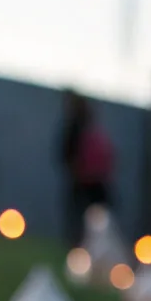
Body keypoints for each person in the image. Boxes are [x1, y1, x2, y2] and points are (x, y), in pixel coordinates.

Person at [60, 91, 116, 246]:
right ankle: (89, 247)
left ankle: (82, 246)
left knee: (84, 217)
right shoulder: (91, 129)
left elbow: (64, 153)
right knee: (94, 218)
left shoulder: (76, 127)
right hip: (94, 181)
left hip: (84, 181)